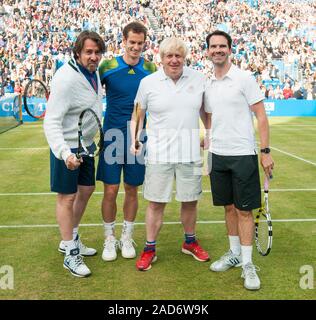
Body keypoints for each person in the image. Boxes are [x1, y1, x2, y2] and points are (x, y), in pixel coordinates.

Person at [130, 37, 210, 271]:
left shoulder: (198, 78)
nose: (174, 60)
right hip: (158, 154)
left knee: (190, 201)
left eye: (178, 56)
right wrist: (133, 138)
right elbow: (138, 113)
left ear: (184, 58)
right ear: (161, 58)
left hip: (191, 152)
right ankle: (149, 248)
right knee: (155, 203)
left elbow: (206, 112)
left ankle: (190, 242)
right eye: (169, 56)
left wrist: (211, 134)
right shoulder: (148, 82)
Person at [204, 30, 274, 290]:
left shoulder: (244, 78)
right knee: (229, 208)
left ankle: (247, 264)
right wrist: (209, 137)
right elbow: (209, 116)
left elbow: (261, 116)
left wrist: (265, 152)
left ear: (230, 49)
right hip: (218, 155)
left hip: (243, 154)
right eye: (214, 46)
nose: (218, 50)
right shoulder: (207, 83)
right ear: (208, 51)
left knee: (245, 210)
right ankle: (234, 254)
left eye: (223, 46)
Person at [43, 31, 105, 277]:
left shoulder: (94, 73)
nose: (93, 56)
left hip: (86, 145)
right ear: (77, 52)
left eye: (97, 52)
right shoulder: (66, 79)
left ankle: (71, 238)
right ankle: (70, 253)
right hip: (67, 148)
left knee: (87, 190)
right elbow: (51, 122)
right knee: (67, 198)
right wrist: (64, 153)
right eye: (88, 52)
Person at [96, 22, 157, 262]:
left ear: (144, 44)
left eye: (140, 43)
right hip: (112, 136)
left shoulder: (151, 68)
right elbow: (89, 90)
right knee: (110, 190)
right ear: (123, 41)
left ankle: (127, 236)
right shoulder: (107, 67)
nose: (135, 47)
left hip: (138, 138)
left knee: (132, 189)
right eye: (132, 42)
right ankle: (109, 238)